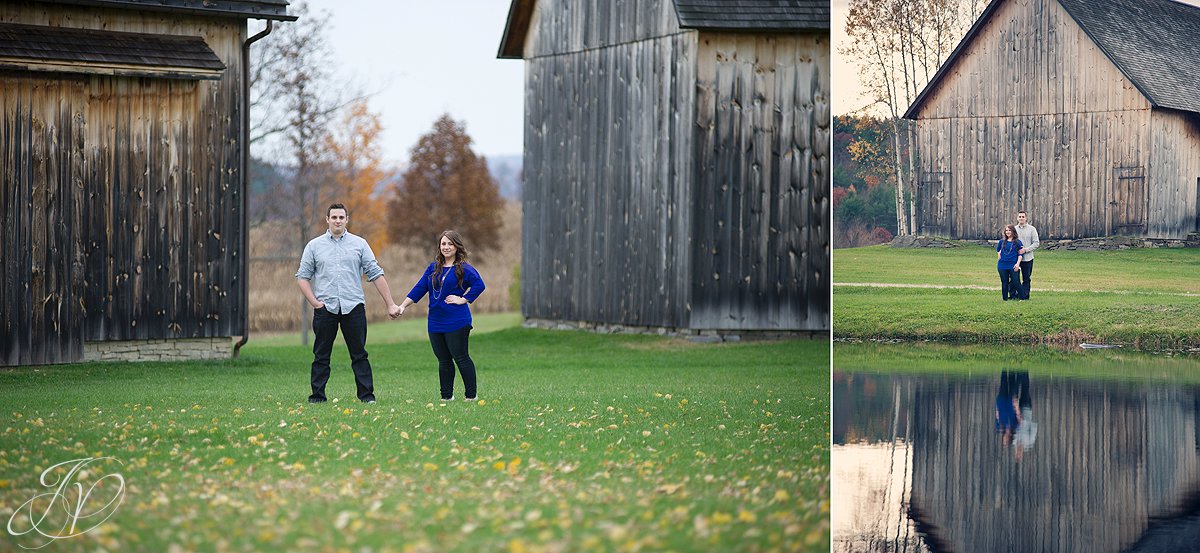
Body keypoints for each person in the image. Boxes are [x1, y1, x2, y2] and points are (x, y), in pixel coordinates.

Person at [296, 203, 401, 404]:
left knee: (359, 354)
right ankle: (317, 396)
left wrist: (390, 304)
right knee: (321, 355)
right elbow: (302, 277)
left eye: (341, 217)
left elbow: (375, 273)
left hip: (353, 307)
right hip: (325, 308)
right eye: (334, 217)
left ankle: (367, 396)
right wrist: (315, 303)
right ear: (327, 219)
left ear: (347, 220)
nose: (337, 221)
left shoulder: (359, 244)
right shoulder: (314, 246)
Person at [396, 230, 486, 401]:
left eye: (450, 244)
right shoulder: (433, 268)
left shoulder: (464, 269)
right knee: (443, 360)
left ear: (457, 246)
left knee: (461, 357)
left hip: (457, 321)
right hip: (435, 321)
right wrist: (402, 306)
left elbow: (479, 285)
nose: (446, 247)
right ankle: (446, 397)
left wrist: (463, 299)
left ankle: (471, 396)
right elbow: (419, 288)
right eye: (443, 244)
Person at [1014, 210, 1040, 300]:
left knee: (1026, 278)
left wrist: (1025, 250)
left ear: (1026, 218)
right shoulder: (1014, 229)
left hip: (1027, 258)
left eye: (1023, 217)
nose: (1021, 218)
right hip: (1015, 258)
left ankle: (1025, 296)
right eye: (1020, 217)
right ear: (1017, 218)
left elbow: (1036, 243)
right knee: (1014, 278)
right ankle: (1013, 295)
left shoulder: (1032, 229)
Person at [996, 224, 1024, 301]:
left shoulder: (1017, 242)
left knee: (1016, 282)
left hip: (1013, 265)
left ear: (1013, 232)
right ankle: (1005, 299)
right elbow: (998, 250)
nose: (1008, 232)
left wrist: (1017, 264)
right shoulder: (1001, 241)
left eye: (1009, 230)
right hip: (1002, 265)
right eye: (1006, 230)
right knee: (1004, 282)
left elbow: (1020, 254)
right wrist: (999, 255)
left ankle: (1022, 298)